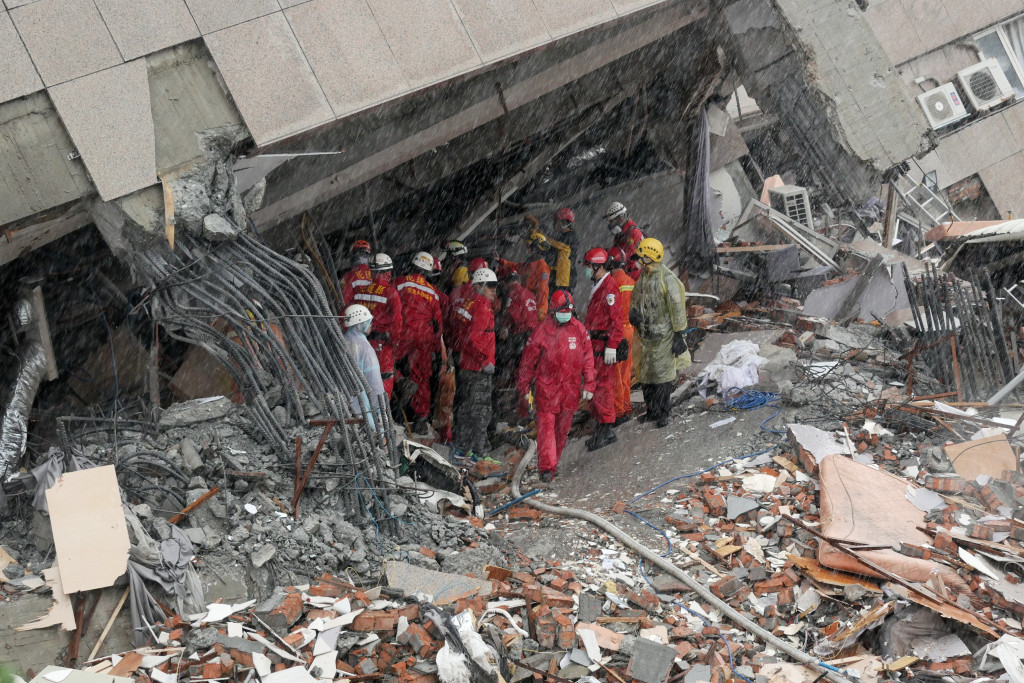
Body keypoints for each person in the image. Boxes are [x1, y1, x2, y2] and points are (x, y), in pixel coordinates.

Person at [517, 291, 596, 483]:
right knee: (546, 430)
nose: (566, 314)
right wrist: (523, 389)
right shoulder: (541, 333)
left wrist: (590, 383)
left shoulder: (578, 330)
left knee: (561, 431)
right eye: (563, 310)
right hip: (547, 390)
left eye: (569, 311)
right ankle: (546, 468)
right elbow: (527, 364)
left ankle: (553, 464)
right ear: (553, 310)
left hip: (569, 391)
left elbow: (588, 358)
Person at [628, 238, 690, 428]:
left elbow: (677, 308)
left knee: (662, 377)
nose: (639, 260)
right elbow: (637, 297)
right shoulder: (644, 276)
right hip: (645, 336)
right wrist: (633, 313)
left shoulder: (667, 279)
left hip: (663, 337)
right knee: (646, 376)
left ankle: (663, 412)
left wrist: (679, 334)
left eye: (642, 257)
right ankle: (652, 410)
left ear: (650, 257)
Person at [450, 268, 498, 461]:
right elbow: (473, 338)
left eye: (495, 286)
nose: (494, 291)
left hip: (466, 365)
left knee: (466, 409)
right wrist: (485, 360)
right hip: (478, 368)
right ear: (478, 286)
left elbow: (462, 336)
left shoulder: (469, 303)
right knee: (480, 412)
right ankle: (481, 455)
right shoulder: (482, 307)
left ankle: (462, 449)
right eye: (490, 287)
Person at [395, 252, 443, 435]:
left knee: (384, 365)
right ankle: (421, 418)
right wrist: (436, 349)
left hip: (403, 332)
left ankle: (399, 381)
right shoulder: (432, 292)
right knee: (422, 377)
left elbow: (391, 305)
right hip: (424, 338)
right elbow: (438, 325)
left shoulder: (400, 282)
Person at [581, 247, 624, 451]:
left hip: (603, 346)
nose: (587, 270)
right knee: (596, 388)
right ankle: (601, 427)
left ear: (597, 266)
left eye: (589, 266)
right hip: (595, 345)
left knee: (603, 389)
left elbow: (616, 320)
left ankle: (606, 430)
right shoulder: (600, 285)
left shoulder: (609, 288)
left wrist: (612, 346)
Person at [352, 253, 403, 397]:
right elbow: (397, 322)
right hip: (381, 346)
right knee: (383, 381)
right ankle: (381, 416)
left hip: (361, 343)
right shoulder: (390, 293)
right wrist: (393, 343)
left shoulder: (360, 292)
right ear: (388, 273)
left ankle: (363, 415)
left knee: (361, 380)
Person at [494, 266, 539, 422]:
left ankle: (523, 413)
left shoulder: (512, 295)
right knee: (531, 377)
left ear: (506, 282)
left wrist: (503, 328)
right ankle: (531, 409)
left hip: (520, 338)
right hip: (534, 338)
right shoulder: (530, 294)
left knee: (521, 377)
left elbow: (509, 315)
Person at [342, 304, 386, 430]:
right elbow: (374, 381)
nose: (371, 325)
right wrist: (380, 407)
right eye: (368, 322)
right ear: (360, 323)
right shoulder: (365, 348)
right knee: (373, 432)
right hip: (359, 405)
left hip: (342, 402)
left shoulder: (343, 341)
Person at [607, 247, 636, 424]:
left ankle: (618, 411)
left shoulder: (611, 284)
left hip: (617, 331)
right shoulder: (631, 282)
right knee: (626, 371)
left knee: (615, 374)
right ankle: (626, 406)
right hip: (630, 330)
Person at [495, 233, 550, 320]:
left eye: (531, 247)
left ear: (535, 248)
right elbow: (517, 267)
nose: (529, 249)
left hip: (532, 305)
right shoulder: (529, 263)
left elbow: (542, 292)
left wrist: (540, 313)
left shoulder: (542, 268)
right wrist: (501, 261)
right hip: (525, 300)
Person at [604, 202, 645, 281]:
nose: (611, 225)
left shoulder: (634, 232)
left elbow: (631, 257)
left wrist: (612, 257)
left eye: (612, 221)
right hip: (626, 274)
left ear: (621, 217)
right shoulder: (620, 234)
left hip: (635, 275)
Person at [547, 208, 578, 295]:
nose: (554, 226)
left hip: (565, 280)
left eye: (556, 223)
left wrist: (542, 230)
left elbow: (558, 242)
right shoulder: (559, 239)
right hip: (556, 278)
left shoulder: (571, 236)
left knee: (562, 304)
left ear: (564, 223)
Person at [340, 239, 372, 306]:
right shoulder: (375, 275)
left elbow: (344, 299)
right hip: (371, 313)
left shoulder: (348, 276)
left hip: (355, 312)